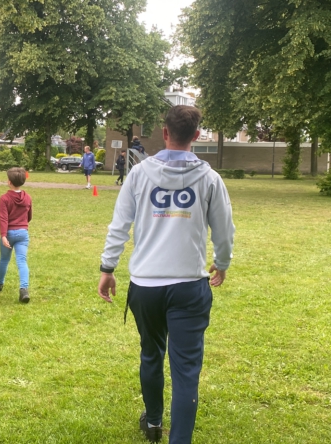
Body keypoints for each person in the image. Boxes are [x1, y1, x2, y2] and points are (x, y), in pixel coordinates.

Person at [97, 105, 235, 444]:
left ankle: (155, 423)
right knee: (186, 370)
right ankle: (174, 436)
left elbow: (120, 226)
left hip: (147, 286)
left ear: (165, 132)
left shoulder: (139, 175)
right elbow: (224, 229)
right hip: (189, 285)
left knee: (151, 354)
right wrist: (223, 261)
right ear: (197, 136)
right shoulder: (210, 179)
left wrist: (107, 268)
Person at [0, 167, 33, 304]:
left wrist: (3, 235)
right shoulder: (27, 197)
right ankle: (24, 289)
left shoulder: (5, 198)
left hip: (8, 233)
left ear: (9, 182)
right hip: (23, 233)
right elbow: (29, 216)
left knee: (4, 259)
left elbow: (3, 218)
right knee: (22, 261)